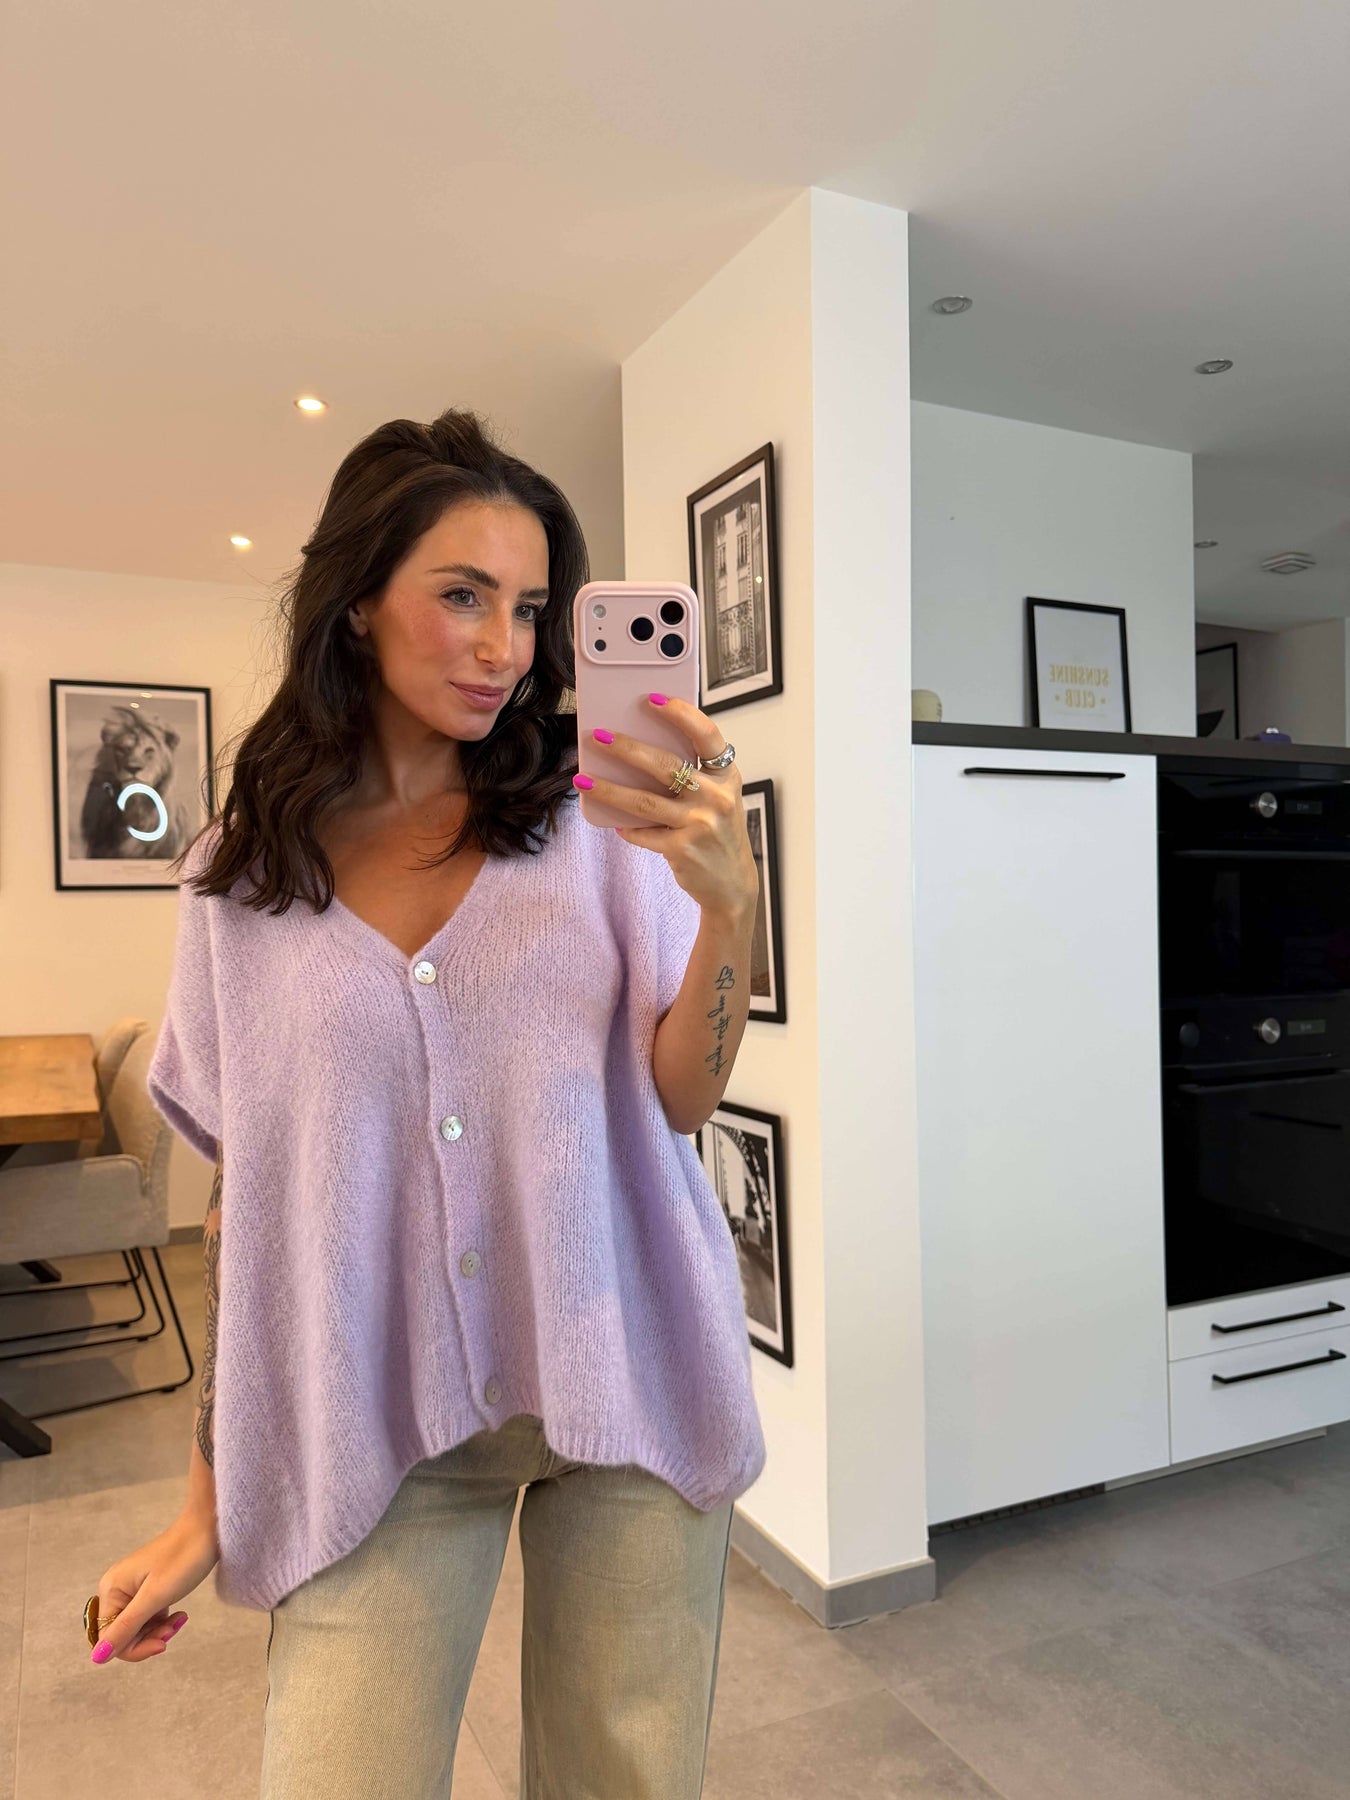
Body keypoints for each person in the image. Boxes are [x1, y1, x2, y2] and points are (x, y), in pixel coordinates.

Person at [85, 408, 768, 1798]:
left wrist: (729, 910)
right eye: (462, 595)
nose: (503, 645)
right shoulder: (237, 879)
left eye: (530, 608)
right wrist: (209, 1497)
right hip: (369, 1415)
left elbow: (683, 1098)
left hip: (630, 1369)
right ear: (357, 602)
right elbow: (249, 1207)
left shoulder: (599, 829)